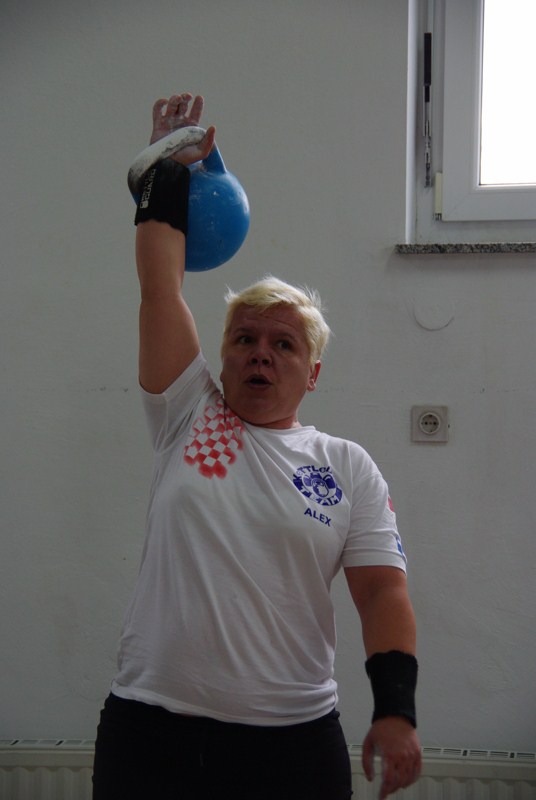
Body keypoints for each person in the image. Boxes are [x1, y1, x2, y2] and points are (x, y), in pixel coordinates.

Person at [92, 93, 421, 800]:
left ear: (313, 371)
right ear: (223, 355)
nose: (261, 354)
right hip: (152, 732)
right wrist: (171, 165)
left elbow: (381, 592)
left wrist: (397, 709)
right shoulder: (189, 413)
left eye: (284, 344)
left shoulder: (346, 466)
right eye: (244, 339)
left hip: (292, 743)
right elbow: (160, 287)